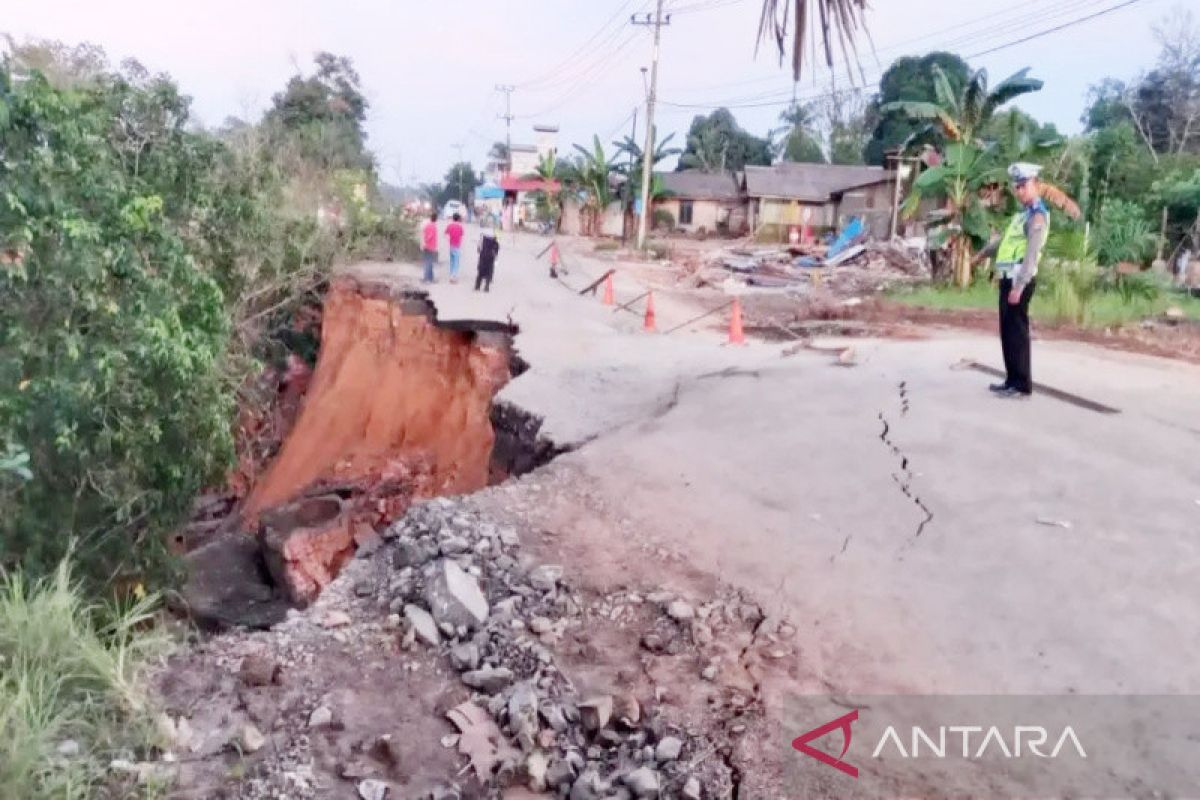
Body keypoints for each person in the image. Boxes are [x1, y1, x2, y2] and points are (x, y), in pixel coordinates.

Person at [973, 162, 1049, 399]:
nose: (1019, 191)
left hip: (1019, 281)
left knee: (1017, 333)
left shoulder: (1037, 216)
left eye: (1024, 186)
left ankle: (1022, 384)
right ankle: (1011, 380)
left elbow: (1031, 254)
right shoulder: (1022, 216)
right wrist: (981, 255)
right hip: (1007, 279)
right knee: (1007, 332)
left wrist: (1020, 285)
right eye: (1017, 187)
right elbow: (1003, 242)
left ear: (1036, 185)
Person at [445, 212, 465, 284]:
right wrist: (460, 245)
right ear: (459, 219)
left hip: (451, 245)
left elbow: (446, 235)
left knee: (452, 261)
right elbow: (461, 237)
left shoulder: (450, 226)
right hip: (457, 246)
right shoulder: (460, 227)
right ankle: (454, 276)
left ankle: (451, 274)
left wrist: (449, 242)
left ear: (453, 218)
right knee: (456, 262)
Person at [421, 210, 438, 283]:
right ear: (436, 219)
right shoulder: (433, 226)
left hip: (426, 246)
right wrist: (426, 242)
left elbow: (423, 234)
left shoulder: (427, 225)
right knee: (428, 263)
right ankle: (426, 278)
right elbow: (430, 236)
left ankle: (431, 278)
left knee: (429, 262)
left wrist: (423, 243)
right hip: (430, 246)